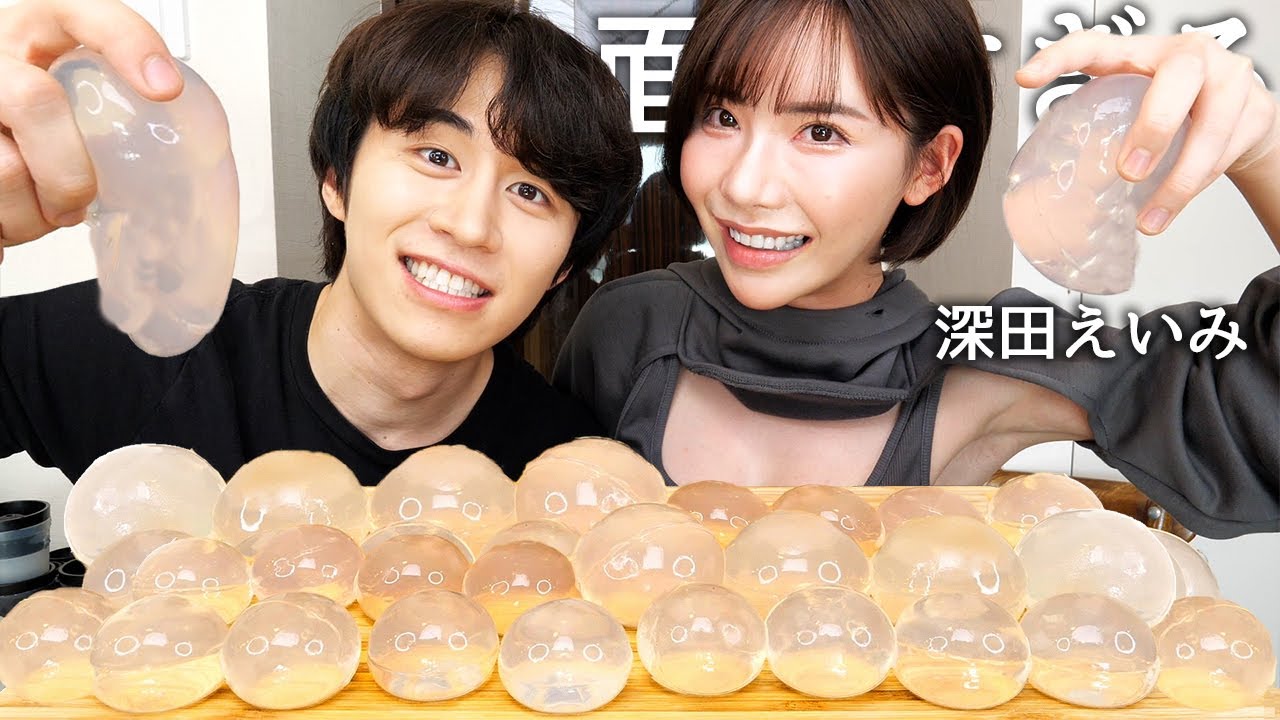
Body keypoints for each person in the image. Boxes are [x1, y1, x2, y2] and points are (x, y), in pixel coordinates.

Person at [555, 0, 1279, 538]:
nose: (744, 185)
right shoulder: (630, 328)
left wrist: (1264, 151)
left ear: (929, 166)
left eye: (820, 131)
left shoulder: (983, 361)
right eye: (722, 117)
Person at [0, 0, 642, 483]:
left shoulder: (564, 479)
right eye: (437, 156)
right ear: (336, 181)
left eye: (531, 191)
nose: (471, 226)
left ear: (565, 264)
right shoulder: (152, 346)